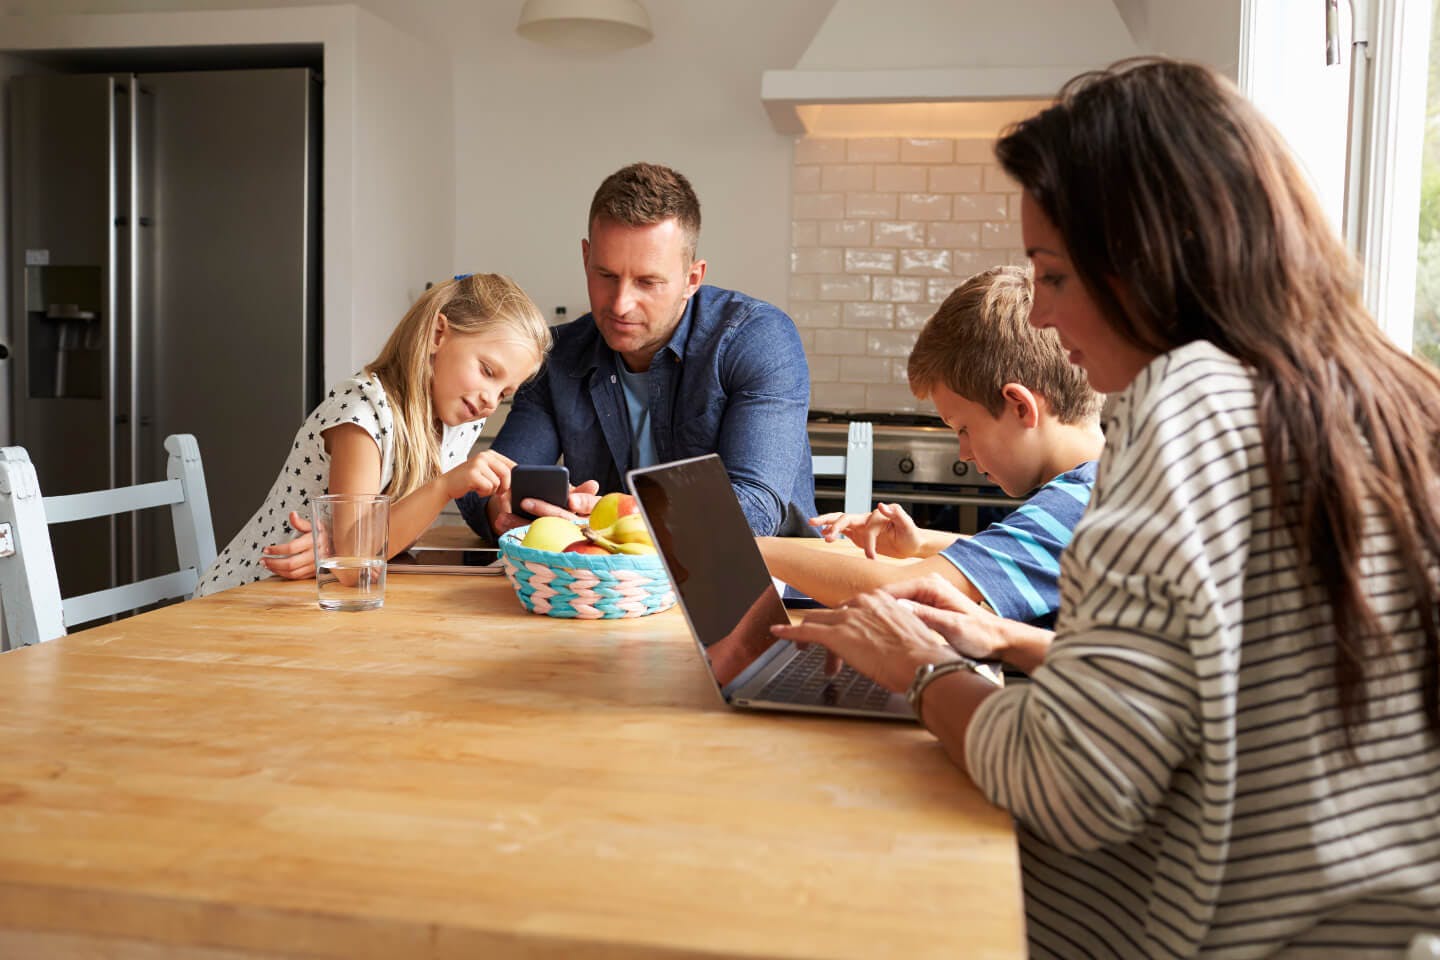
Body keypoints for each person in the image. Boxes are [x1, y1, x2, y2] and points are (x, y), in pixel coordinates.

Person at [775, 57, 1440, 958]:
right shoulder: (1388, 394)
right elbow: (1232, 682)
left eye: (1051, 275)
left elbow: (1069, 780)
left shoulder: (1189, 405)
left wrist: (921, 670)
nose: (1042, 318)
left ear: (1144, 260)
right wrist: (1011, 643)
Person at [457, 162, 816, 541]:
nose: (621, 304)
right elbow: (493, 487)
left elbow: (756, 509)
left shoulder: (758, 338)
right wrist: (504, 507)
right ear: (585, 258)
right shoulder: (557, 356)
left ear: (692, 279)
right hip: (610, 593)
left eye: (648, 282)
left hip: (762, 585)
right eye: (606, 276)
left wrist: (622, 514)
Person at [758, 265, 1103, 627]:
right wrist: (920, 543)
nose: (964, 453)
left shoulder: (1075, 508)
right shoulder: (1101, 487)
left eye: (964, 429)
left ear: (1020, 406)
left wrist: (759, 548)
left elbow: (900, 591)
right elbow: (1020, 555)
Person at [199, 273, 550, 594]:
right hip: (246, 596)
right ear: (437, 335)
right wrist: (445, 486)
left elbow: (371, 543)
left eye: (505, 392)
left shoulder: (458, 421)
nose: (491, 400)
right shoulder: (363, 411)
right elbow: (354, 566)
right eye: (488, 371)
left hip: (312, 596)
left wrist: (338, 547)